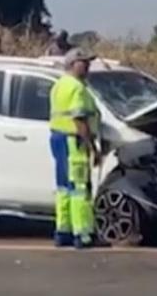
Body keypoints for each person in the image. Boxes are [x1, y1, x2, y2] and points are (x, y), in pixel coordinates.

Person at [49, 48, 101, 249]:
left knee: (64, 188)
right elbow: (80, 119)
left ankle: (64, 231)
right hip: (74, 141)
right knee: (80, 188)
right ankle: (83, 234)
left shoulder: (59, 85)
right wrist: (92, 147)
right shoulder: (77, 88)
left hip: (58, 139)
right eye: (84, 62)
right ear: (73, 64)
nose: (88, 66)